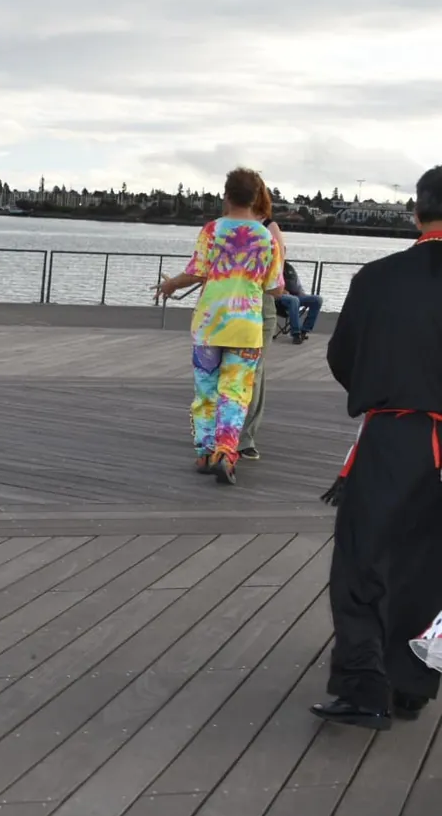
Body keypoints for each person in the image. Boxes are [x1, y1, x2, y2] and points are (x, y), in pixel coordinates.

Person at [311, 164, 442, 730]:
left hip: (398, 434)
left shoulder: (378, 278)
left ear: (417, 212)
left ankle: (366, 686)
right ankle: (412, 684)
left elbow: (344, 357)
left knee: (367, 557)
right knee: (431, 561)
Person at [153, 168, 283, 484]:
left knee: (206, 390)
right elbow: (276, 288)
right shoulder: (267, 237)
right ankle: (226, 453)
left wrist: (171, 285)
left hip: (210, 325)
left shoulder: (212, 230)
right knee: (236, 393)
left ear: (225, 195)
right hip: (247, 326)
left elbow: (197, 272)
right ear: (256, 197)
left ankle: (204, 452)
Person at [239, 180, 289, 460]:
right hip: (237, 305)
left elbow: (277, 272)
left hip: (260, 303)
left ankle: (245, 438)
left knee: (255, 372)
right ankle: (225, 432)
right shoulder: (228, 225)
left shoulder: (269, 228)